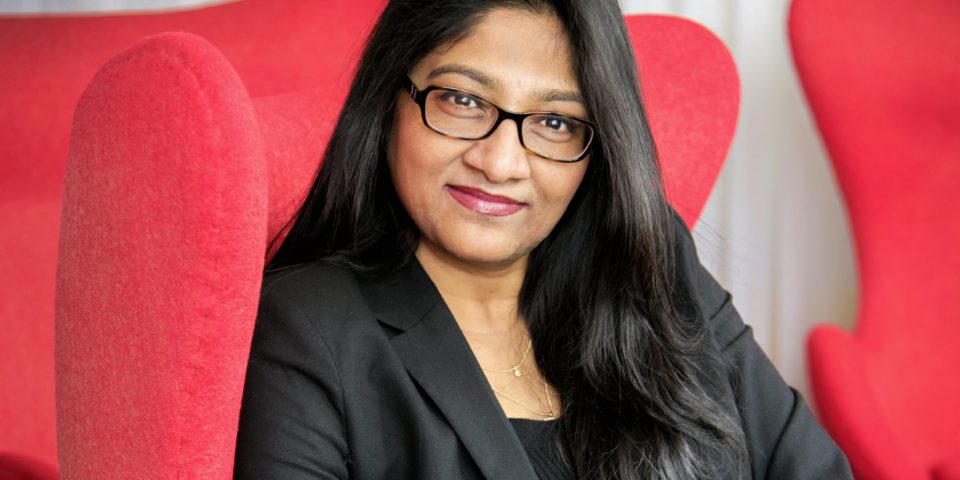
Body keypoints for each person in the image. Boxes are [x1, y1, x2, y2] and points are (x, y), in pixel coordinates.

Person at [232, 1, 853, 478]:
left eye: (555, 122)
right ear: (388, 100)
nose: (501, 162)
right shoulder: (307, 328)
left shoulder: (651, 263)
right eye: (462, 99)